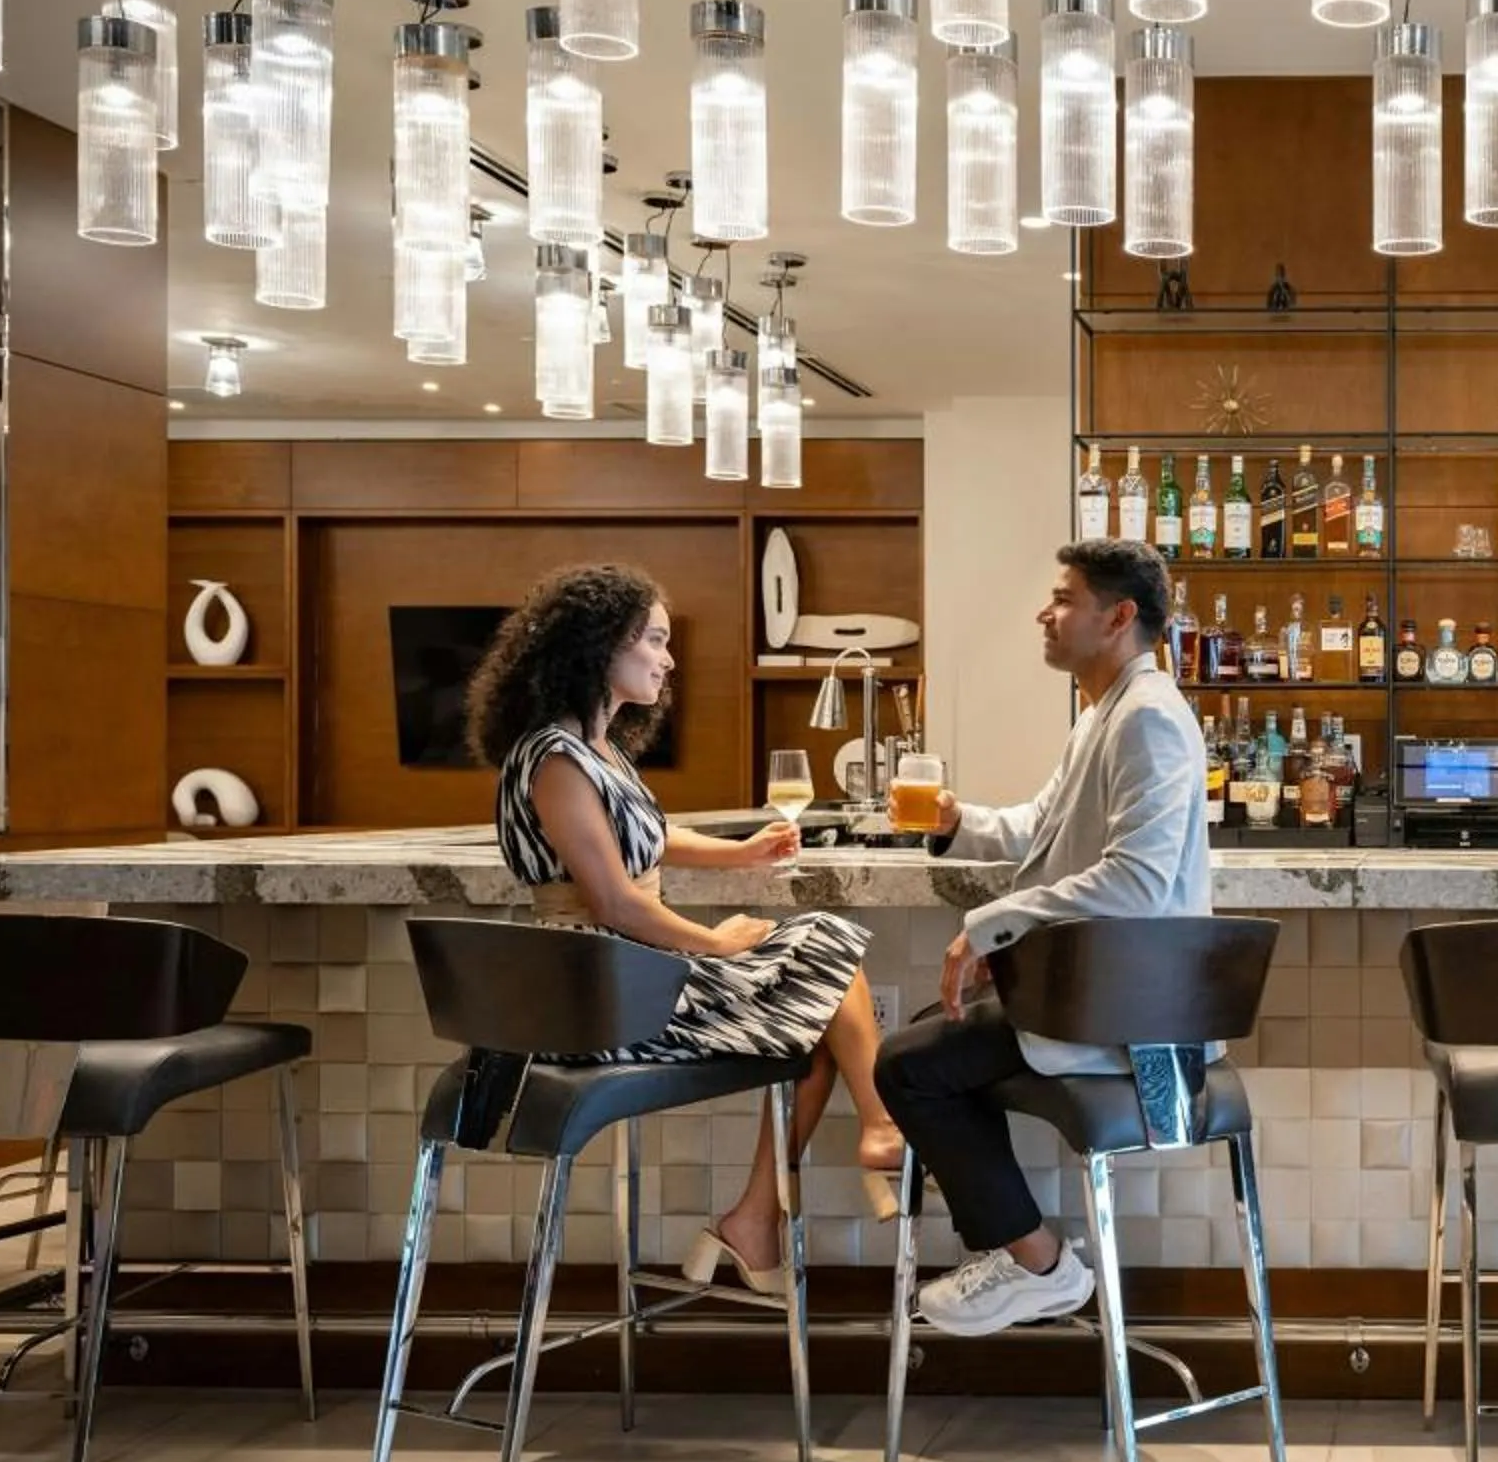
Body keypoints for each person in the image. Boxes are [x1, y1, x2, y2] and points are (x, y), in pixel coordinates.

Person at [469, 563, 903, 1298]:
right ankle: (881, 1129)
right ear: (600, 644)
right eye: (655, 641)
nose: (668, 660)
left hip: (631, 979)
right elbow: (613, 900)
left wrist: (742, 852)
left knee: (818, 1009)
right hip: (596, 999)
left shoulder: (597, 751)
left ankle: (757, 1217)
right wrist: (717, 943)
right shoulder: (553, 758)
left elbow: (646, 841)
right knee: (824, 947)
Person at [877, 538, 1210, 1338]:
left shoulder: (1151, 719)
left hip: (1135, 1021)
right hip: (1100, 995)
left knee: (907, 1067)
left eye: (1063, 598)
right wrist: (960, 823)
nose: (1044, 613)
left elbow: (1136, 879)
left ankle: (1037, 1262)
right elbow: (1041, 828)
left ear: (1118, 616)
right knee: (938, 1032)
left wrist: (991, 928)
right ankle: (1018, 1255)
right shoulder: (1107, 711)